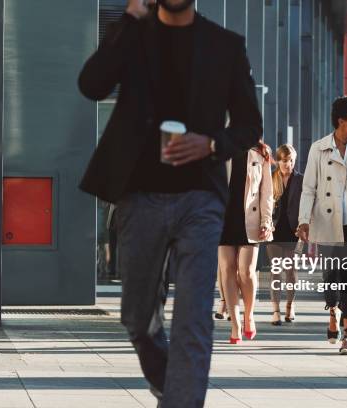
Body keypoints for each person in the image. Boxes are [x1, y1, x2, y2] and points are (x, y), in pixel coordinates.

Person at [77, 0, 262, 406]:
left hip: (201, 198)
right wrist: (128, 18)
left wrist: (212, 142)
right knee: (137, 318)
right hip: (139, 194)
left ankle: (180, 398)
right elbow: (91, 86)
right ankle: (169, 382)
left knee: (194, 319)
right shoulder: (133, 35)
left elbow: (250, 125)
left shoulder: (225, 45)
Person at [296, 96, 347, 355]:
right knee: (332, 279)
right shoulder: (319, 148)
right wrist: (303, 220)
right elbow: (309, 188)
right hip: (327, 222)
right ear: (342, 121)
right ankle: (332, 311)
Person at [219, 141, 274, 343]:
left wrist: (266, 221)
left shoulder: (260, 153)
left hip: (250, 219)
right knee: (227, 269)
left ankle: (248, 315)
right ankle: (235, 325)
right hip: (223, 218)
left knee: (246, 271)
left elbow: (267, 192)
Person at [266, 144, 303, 325]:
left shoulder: (301, 180)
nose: (287, 164)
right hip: (275, 230)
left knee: (291, 270)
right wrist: (266, 223)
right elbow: (264, 203)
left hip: (294, 230)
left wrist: (305, 225)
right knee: (275, 271)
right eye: (283, 160)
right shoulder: (270, 178)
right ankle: (275, 311)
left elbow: (306, 205)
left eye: (290, 161)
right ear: (278, 161)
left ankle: (290, 305)